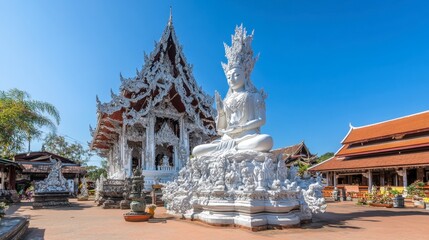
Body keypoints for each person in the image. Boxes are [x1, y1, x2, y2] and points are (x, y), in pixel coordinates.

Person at [192, 25, 273, 157]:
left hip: (248, 137)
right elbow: (220, 130)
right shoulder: (227, 100)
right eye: (229, 77)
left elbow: (261, 120)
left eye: (236, 75)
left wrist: (243, 128)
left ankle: (236, 148)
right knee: (197, 150)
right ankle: (233, 149)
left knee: (266, 141)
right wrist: (221, 112)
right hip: (226, 140)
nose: (232, 79)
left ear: (245, 74)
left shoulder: (254, 95)